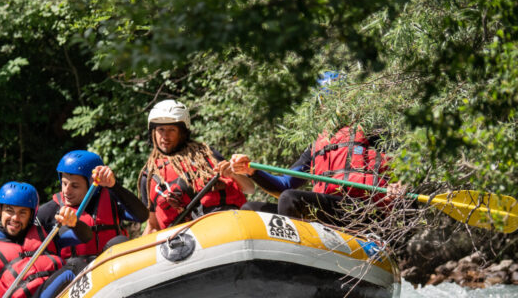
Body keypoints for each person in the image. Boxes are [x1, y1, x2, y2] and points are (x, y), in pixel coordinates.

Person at [230, 125, 404, 226]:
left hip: (363, 210)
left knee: (290, 199)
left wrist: (400, 185)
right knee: (250, 209)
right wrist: (251, 171)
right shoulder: (318, 144)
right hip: (329, 208)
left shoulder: (372, 132)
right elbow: (284, 184)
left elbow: (409, 166)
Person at [138, 99, 255, 234]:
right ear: (153, 132)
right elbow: (153, 225)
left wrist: (234, 174)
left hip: (227, 223)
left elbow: (250, 188)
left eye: (172, 130)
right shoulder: (150, 175)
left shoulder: (206, 154)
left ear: (182, 132)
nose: (165, 136)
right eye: (160, 129)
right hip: (185, 240)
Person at [37, 149, 149, 261]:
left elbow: (142, 216)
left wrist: (114, 186)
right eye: (64, 183)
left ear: (92, 184)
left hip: (111, 266)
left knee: (120, 241)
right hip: (77, 272)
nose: (67, 191)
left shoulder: (111, 200)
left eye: (75, 186)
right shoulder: (49, 211)